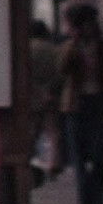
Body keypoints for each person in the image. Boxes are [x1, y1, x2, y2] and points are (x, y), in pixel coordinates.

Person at [57, 4, 103, 204]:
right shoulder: (69, 47)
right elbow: (61, 69)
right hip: (75, 105)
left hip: (99, 102)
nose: (90, 28)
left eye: (92, 23)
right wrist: (73, 44)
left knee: (100, 157)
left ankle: (97, 198)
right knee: (78, 159)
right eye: (85, 24)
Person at [28, 21, 62, 181]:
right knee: (53, 132)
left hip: (32, 95)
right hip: (50, 95)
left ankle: (27, 160)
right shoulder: (54, 50)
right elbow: (60, 74)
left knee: (32, 132)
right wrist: (50, 91)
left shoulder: (26, 49)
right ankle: (53, 162)